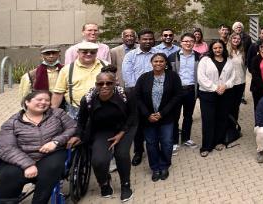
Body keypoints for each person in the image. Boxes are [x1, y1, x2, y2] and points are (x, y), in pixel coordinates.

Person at [0, 91, 76, 204]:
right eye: (39, 99)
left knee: (51, 169)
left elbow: (72, 127)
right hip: (22, 156)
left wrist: (56, 141)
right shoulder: (12, 123)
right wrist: (28, 165)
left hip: (51, 154)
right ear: (27, 102)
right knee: (9, 174)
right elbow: (6, 147)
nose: (43, 102)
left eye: (47, 100)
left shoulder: (57, 114)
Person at [68, 68, 137, 201]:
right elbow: (81, 121)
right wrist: (77, 135)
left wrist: (121, 134)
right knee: (98, 160)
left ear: (114, 84)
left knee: (121, 154)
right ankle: (104, 182)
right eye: (101, 84)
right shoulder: (87, 99)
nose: (104, 86)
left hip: (125, 127)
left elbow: (133, 116)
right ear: (96, 84)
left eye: (109, 83)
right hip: (102, 129)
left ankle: (125, 185)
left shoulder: (126, 94)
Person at [134, 53, 182, 181]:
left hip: (166, 117)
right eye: (156, 61)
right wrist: (147, 114)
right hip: (148, 118)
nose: (158, 63)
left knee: (167, 142)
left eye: (161, 61)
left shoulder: (173, 77)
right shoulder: (144, 78)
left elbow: (177, 96)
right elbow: (137, 98)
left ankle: (165, 165)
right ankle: (155, 168)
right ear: (151, 63)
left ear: (166, 63)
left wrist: (162, 113)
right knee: (151, 143)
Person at [121, 29, 157, 165]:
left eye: (150, 39)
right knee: (138, 124)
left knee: (154, 121)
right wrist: (140, 93)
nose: (147, 41)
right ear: (139, 40)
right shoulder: (131, 56)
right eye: (144, 39)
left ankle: (154, 148)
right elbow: (128, 77)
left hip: (156, 94)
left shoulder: (159, 54)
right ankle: (138, 151)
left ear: (153, 40)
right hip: (136, 96)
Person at [196, 40, 235, 157]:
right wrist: (215, 87)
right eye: (215, 48)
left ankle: (219, 141)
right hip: (208, 94)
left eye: (220, 48)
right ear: (211, 49)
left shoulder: (229, 61)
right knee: (208, 120)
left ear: (223, 48)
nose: (218, 50)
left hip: (225, 93)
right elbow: (201, 78)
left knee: (221, 118)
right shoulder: (205, 60)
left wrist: (225, 86)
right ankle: (207, 146)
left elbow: (233, 77)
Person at [51, 42, 108, 117]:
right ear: (78, 52)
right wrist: (50, 114)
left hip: (104, 110)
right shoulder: (67, 70)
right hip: (76, 112)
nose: (88, 54)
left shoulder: (106, 66)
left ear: (97, 52)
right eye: (85, 52)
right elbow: (58, 93)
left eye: (92, 52)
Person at [167, 33, 202, 152]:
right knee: (174, 117)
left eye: (191, 41)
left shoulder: (199, 57)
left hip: (191, 90)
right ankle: (174, 141)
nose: (188, 43)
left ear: (194, 42)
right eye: (186, 41)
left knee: (188, 116)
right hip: (176, 91)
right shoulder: (172, 57)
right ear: (180, 42)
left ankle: (186, 138)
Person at [226, 32, 248, 121]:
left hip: (240, 82)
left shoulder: (242, 52)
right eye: (234, 38)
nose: (236, 40)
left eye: (238, 39)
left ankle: (234, 127)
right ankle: (227, 129)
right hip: (229, 83)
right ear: (231, 39)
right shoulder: (226, 51)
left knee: (236, 106)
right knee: (229, 106)